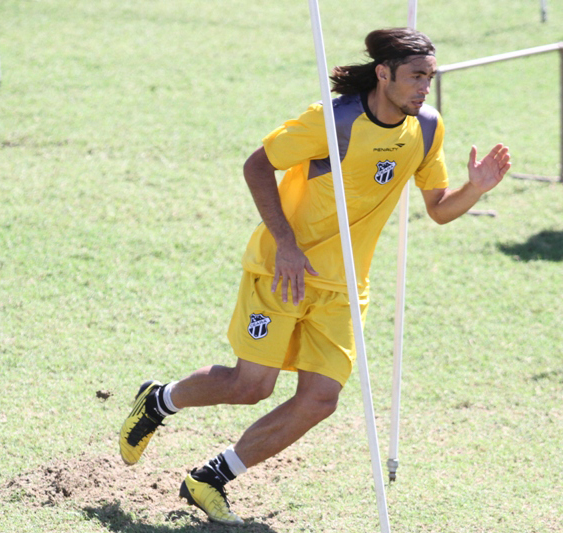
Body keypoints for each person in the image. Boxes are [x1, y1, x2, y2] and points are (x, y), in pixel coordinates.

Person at [119, 27, 511, 524]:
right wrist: (284, 243)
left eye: (429, 78)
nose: (423, 88)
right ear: (384, 73)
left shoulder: (428, 128)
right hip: (285, 271)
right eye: (415, 77)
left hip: (345, 286)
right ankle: (160, 400)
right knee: (251, 386)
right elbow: (258, 165)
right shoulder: (336, 120)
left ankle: (210, 478)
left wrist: (475, 190)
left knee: (321, 399)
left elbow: (438, 209)